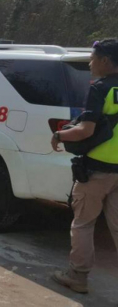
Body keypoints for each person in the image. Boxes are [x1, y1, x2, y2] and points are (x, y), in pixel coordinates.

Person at [51, 39, 118, 294]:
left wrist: (59, 135)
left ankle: (77, 277)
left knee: (83, 224)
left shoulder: (100, 88)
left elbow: (85, 130)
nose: (90, 63)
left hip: (97, 171)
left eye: (92, 58)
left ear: (105, 60)